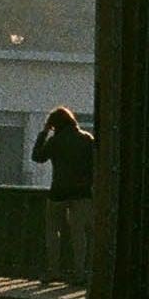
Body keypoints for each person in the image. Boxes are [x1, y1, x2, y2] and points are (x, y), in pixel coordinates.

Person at [31, 107, 95, 284]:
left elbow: (37, 157)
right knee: (79, 233)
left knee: (53, 230)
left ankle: (54, 270)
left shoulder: (55, 141)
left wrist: (44, 133)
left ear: (54, 125)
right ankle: (80, 273)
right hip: (82, 193)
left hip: (58, 192)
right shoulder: (87, 139)